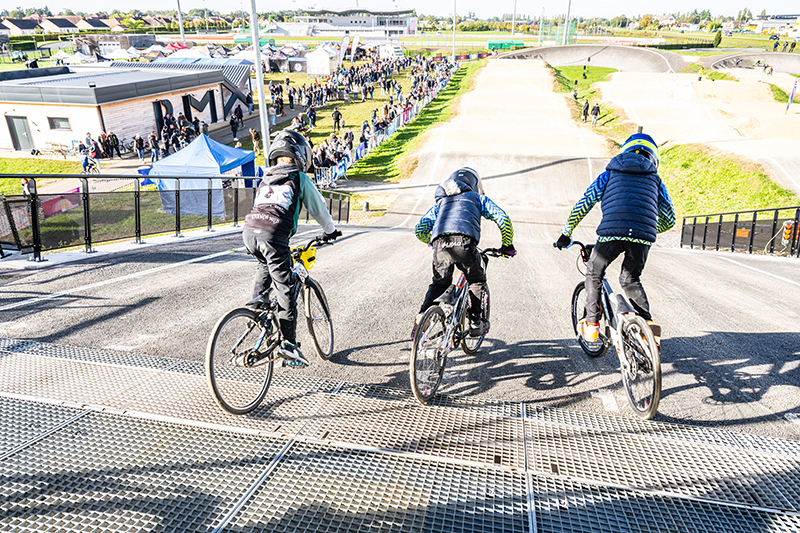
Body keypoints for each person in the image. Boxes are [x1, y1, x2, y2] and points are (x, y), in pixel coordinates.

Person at [555, 133, 675, 344]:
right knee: (630, 279)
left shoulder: (609, 173)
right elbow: (670, 218)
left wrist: (567, 233)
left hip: (612, 232)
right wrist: (648, 228)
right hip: (642, 236)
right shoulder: (656, 180)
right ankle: (647, 323)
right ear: (654, 158)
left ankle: (592, 324)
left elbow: (585, 202)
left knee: (594, 272)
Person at [241, 130, 342, 366]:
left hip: (249, 233)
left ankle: (258, 310)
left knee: (264, 265)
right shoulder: (298, 177)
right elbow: (318, 208)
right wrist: (330, 230)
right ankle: (289, 344)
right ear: (300, 156)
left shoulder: (266, 177)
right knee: (285, 288)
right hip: (274, 235)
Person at [414, 167, 516, 338]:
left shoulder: (441, 202)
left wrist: (432, 242)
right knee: (476, 279)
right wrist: (507, 245)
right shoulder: (477, 198)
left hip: (440, 243)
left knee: (440, 283)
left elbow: (420, 229)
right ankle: (476, 321)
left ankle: (422, 318)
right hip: (465, 242)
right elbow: (503, 218)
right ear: (475, 185)